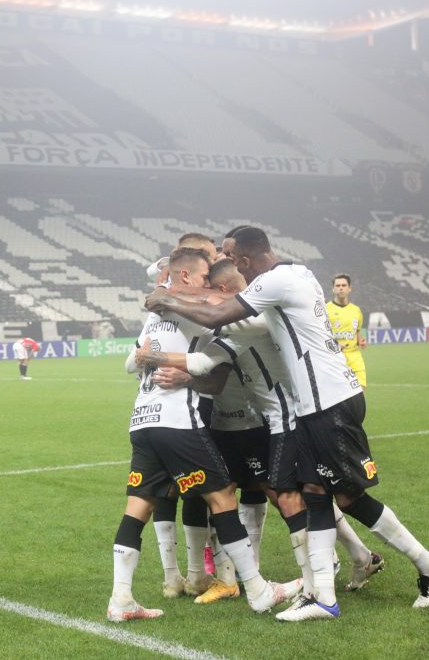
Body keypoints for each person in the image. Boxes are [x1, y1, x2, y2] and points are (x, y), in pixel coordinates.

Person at [144, 227, 429, 621]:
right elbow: (218, 308)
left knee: (347, 497)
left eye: (231, 256)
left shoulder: (276, 283)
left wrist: (167, 296)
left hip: (331, 401)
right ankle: (322, 595)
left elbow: (219, 310)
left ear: (246, 261)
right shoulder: (294, 275)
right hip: (311, 408)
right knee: (314, 493)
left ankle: (427, 564)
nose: (227, 259)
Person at [138, 259, 384, 605]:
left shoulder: (245, 315)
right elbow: (168, 283)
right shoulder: (230, 306)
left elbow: (212, 365)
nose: (207, 277)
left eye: (213, 273)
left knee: (285, 492)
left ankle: (322, 571)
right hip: (229, 420)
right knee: (236, 493)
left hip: (268, 418)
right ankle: (227, 576)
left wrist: (162, 346)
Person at [108, 247, 297, 622]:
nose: (208, 285)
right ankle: (258, 590)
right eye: (203, 278)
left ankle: (121, 599)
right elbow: (231, 327)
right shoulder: (196, 315)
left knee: (138, 506)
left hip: (142, 420)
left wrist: (151, 355)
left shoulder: (155, 317)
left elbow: (131, 361)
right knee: (223, 496)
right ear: (185, 278)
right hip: (179, 422)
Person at [327, 275, 368, 389]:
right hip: (335, 359)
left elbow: (357, 331)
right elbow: (320, 335)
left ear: (349, 288)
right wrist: (334, 343)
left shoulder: (356, 310)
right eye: (338, 285)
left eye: (344, 285)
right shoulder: (326, 310)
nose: (341, 288)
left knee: (360, 396)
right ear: (333, 289)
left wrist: (361, 341)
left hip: (355, 358)